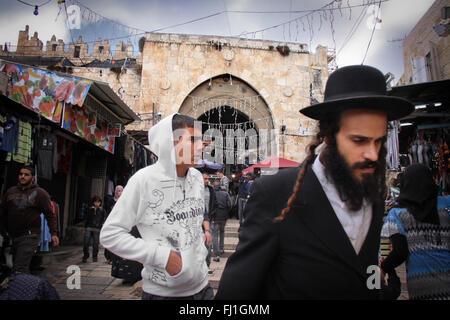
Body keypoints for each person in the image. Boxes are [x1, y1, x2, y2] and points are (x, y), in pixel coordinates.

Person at [215, 65, 414, 299]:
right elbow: (237, 290)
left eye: (378, 141)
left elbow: (367, 265)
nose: (372, 154)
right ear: (328, 134)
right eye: (359, 140)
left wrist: (376, 292)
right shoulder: (276, 193)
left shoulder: (373, 196)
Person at [100, 114, 214, 300]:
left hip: (203, 288)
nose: (202, 146)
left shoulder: (196, 178)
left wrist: (200, 252)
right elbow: (110, 234)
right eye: (193, 140)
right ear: (171, 143)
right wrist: (162, 257)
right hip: (163, 294)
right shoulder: (143, 180)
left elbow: (193, 221)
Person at [381, 164, 450, 300]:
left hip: (420, 286)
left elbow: (400, 253)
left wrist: (383, 267)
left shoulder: (397, 215)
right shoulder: (447, 205)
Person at [0, 165, 59, 274]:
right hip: (12, 235)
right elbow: (3, 211)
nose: (22, 177)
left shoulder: (40, 193)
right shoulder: (11, 192)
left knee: (20, 267)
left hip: (29, 235)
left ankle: (22, 289)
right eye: (21, 174)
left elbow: (50, 215)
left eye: (26, 175)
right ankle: (25, 286)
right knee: (13, 266)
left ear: (32, 177)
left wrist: (54, 233)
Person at [212, 181, 232, 262]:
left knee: (215, 234)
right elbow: (230, 204)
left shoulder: (212, 194)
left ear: (213, 186)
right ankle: (221, 248)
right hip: (224, 215)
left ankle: (216, 253)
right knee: (222, 232)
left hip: (215, 216)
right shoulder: (225, 193)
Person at [82, 196, 106, 263]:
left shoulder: (102, 210)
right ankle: (85, 256)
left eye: (98, 202)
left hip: (97, 228)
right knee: (86, 242)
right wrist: (84, 227)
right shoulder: (89, 209)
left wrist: (102, 227)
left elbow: (103, 219)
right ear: (93, 202)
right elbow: (86, 219)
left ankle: (95, 256)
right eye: (95, 202)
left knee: (95, 243)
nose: (97, 203)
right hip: (89, 227)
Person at [202, 173, 217, 274]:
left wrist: (212, 215)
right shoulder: (195, 189)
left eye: (208, 179)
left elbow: (214, 203)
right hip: (198, 218)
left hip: (209, 219)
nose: (207, 180)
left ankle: (207, 265)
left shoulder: (211, 190)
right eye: (205, 179)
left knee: (208, 243)